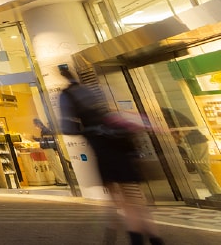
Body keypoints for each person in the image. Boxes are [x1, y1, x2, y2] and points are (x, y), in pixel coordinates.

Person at [59, 65, 164, 245]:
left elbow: (67, 127)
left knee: (119, 199)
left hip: (103, 150)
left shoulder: (67, 95)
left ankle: (134, 239)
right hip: (124, 147)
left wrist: (86, 130)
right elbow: (122, 112)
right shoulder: (98, 89)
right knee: (134, 197)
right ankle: (155, 238)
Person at [33, 118, 68, 186]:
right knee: (54, 164)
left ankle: (62, 181)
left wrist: (35, 139)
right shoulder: (44, 130)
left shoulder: (45, 130)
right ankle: (60, 180)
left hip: (48, 148)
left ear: (38, 124)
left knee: (54, 164)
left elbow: (47, 140)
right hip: (49, 148)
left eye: (35, 125)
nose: (35, 126)